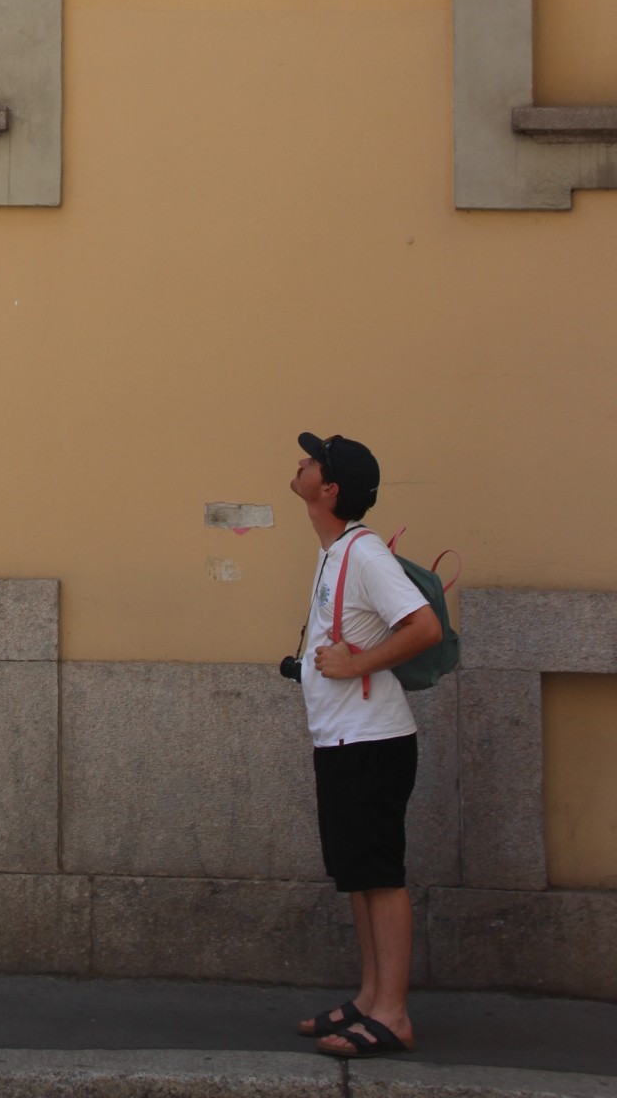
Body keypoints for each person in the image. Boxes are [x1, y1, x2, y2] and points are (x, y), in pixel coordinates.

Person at [288, 431, 442, 1058]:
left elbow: (424, 628)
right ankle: (371, 998)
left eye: (312, 461)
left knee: (380, 876)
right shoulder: (335, 550)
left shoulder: (366, 554)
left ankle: (394, 1015)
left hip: (372, 741)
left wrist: (358, 666)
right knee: (359, 875)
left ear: (330, 489)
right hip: (343, 737)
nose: (300, 462)